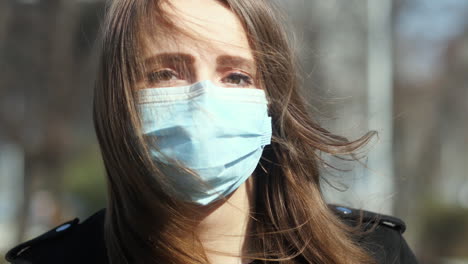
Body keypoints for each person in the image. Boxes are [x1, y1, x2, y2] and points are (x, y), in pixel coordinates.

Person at [5, 0, 418, 263]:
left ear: (270, 103)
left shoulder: (374, 253)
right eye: (165, 72)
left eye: (236, 76)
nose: (203, 98)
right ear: (119, 101)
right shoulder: (60, 260)